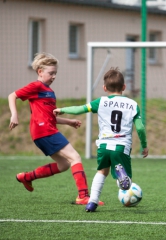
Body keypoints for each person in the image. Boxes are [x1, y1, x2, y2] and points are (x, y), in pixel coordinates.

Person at [8, 52, 104, 206]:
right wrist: (14, 115)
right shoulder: (36, 86)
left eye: (55, 73)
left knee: (64, 164)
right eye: (51, 73)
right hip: (44, 130)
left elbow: (50, 117)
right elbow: (12, 96)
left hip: (43, 131)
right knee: (75, 157)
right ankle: (83, 196)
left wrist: (68, 122)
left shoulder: (49, 91)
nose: (54, 76)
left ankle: (27, 177)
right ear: (40, 72)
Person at [53, 67, 149, 212]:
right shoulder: (133, 105)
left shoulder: (101, 102)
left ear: (104, 88)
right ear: (124, 87)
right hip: (121, 146)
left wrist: (63, 109)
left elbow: (81, 109)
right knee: (126, 183)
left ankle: (92, 203)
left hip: (103, 145)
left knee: (101, 172)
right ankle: (121, 175)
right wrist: (144, 145)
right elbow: (140, 128)